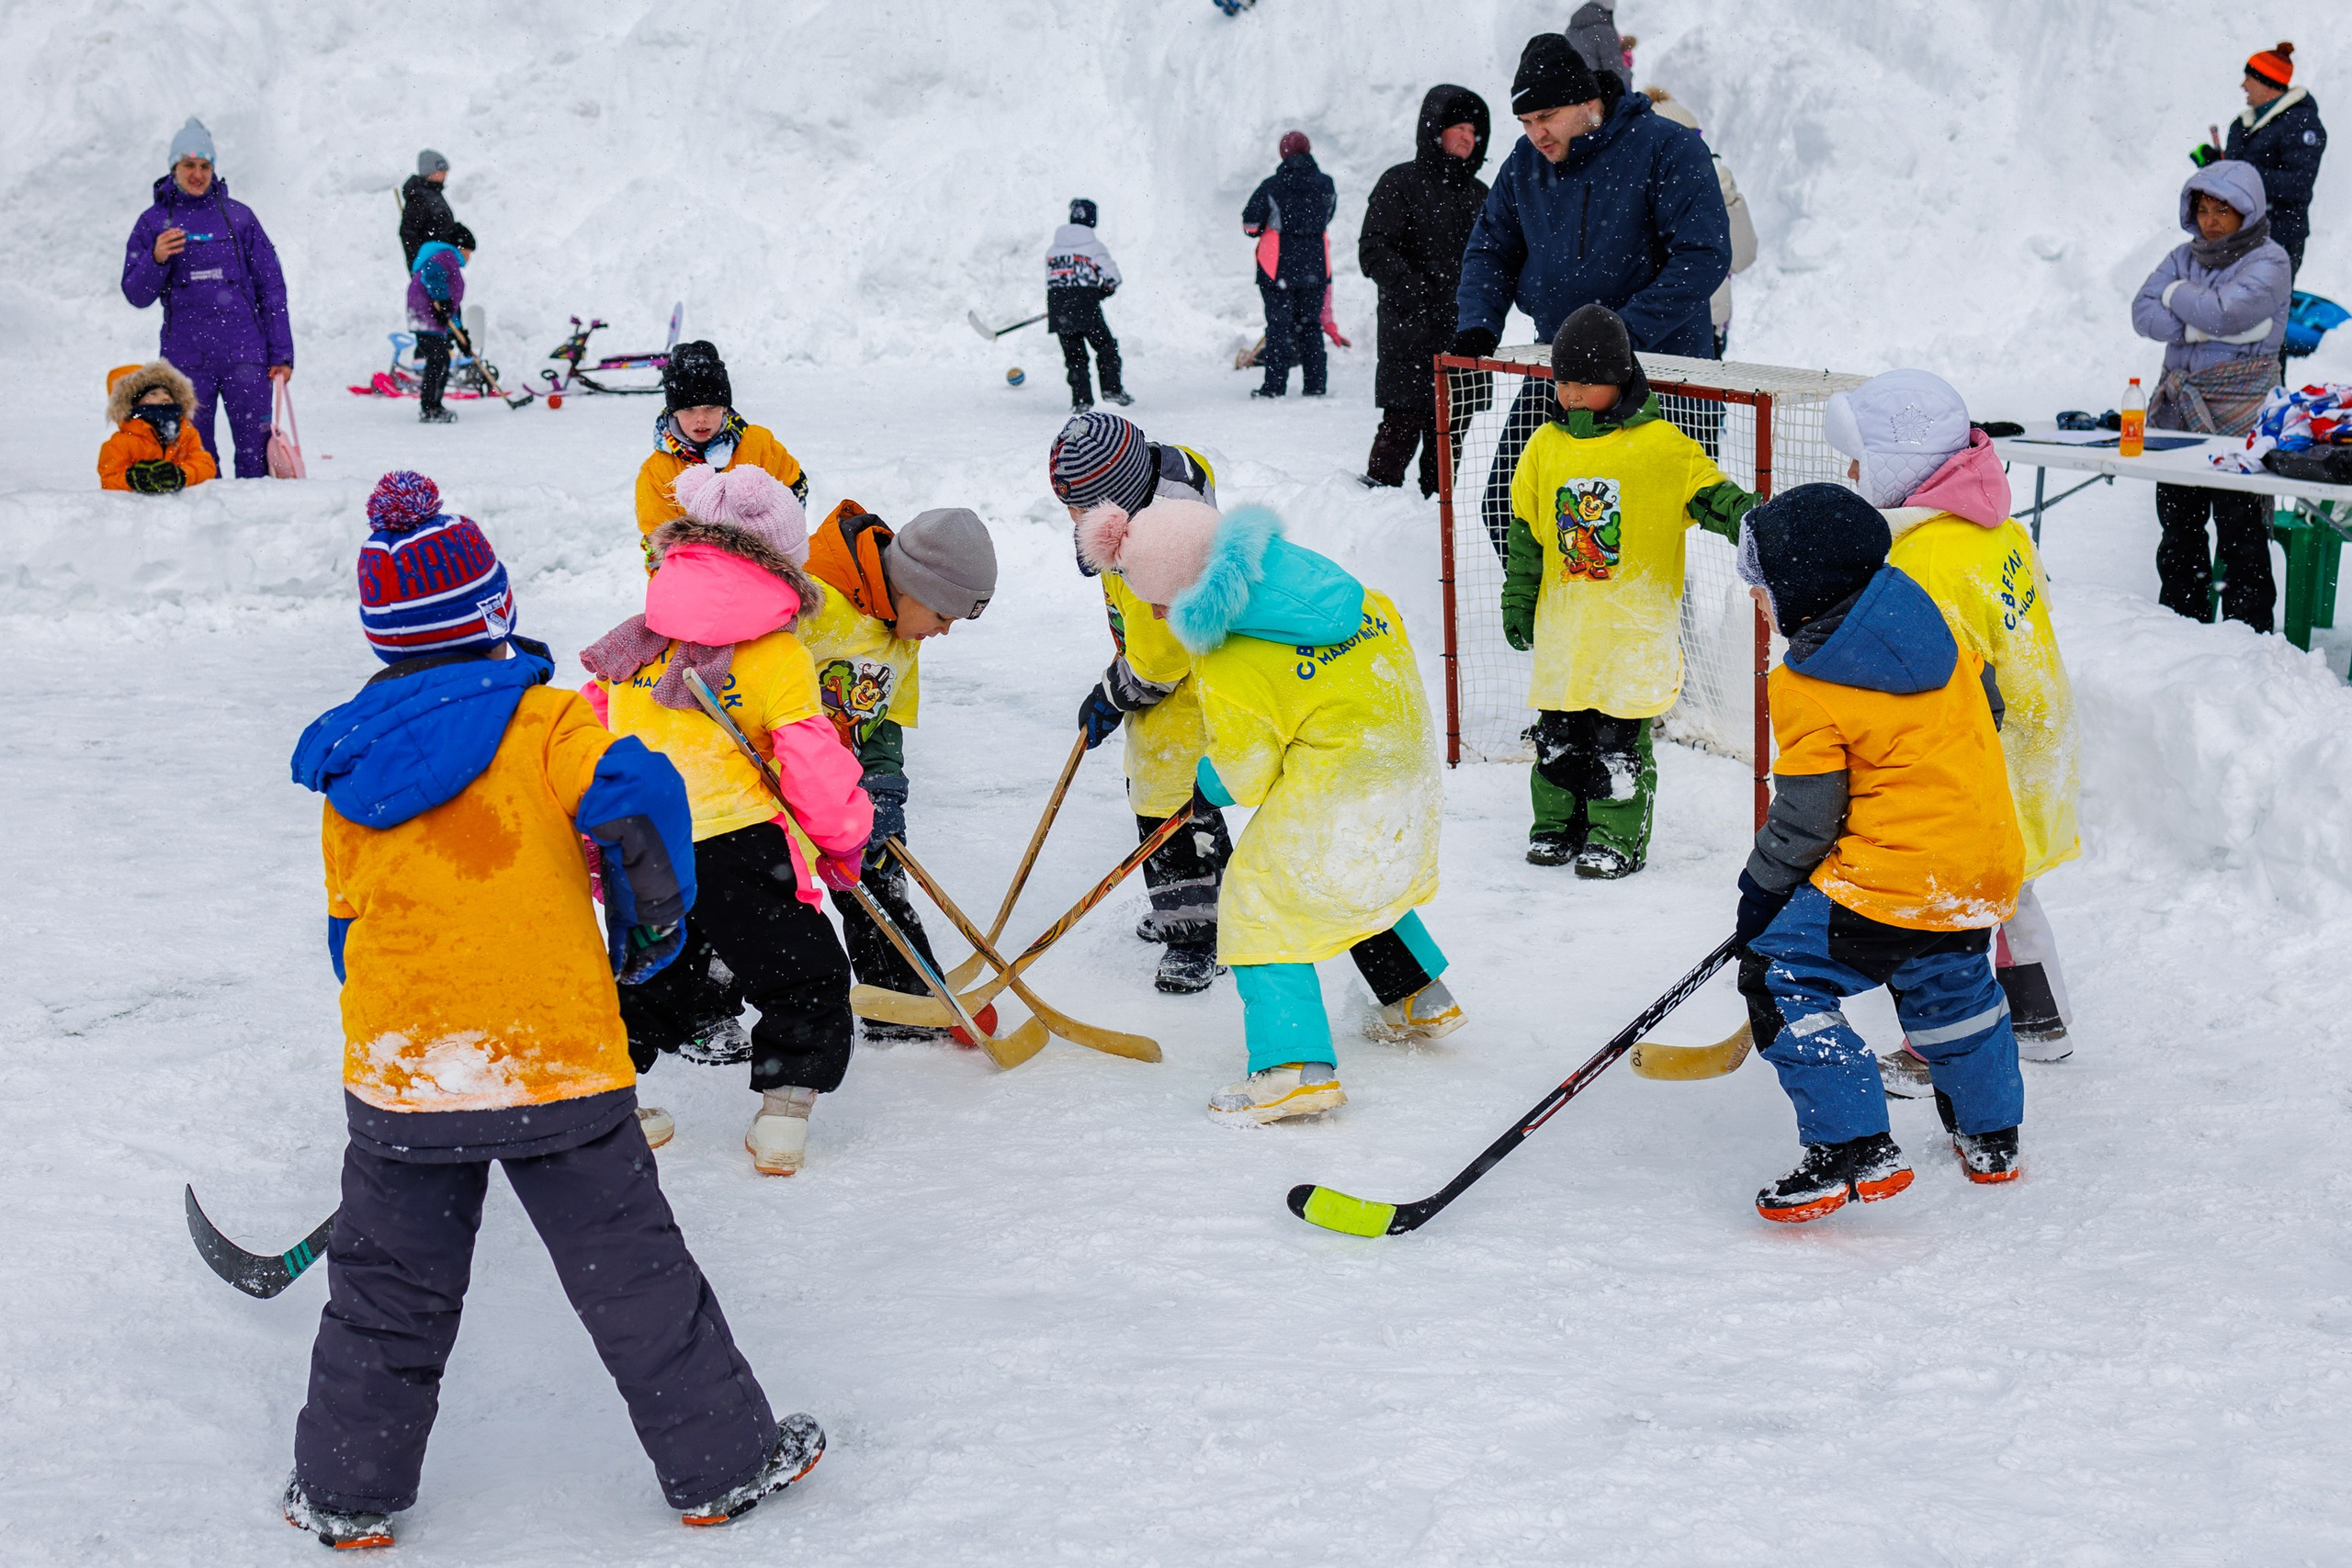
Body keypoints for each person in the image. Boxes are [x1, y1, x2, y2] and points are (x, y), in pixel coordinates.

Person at [282, 469, 821, 1546]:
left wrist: (406, 1024)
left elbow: (350, 927)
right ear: (496, 613)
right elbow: (642, 803)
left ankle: (348, 1495)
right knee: (631, 1271)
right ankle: (723, 1463)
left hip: (405, 1069)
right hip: (554, 1056)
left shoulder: (352, 763)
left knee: (385, 1292)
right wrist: (651, 932)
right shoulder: (546, 726)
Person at [1076, 497, 1460, 1124]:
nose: (1152, 612)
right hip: (1404, 775)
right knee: (1350, 878)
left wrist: (1204, 783)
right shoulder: (1324, 584)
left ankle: (1294, 1070)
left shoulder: (1230, 655)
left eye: (1158, 602)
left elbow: (1245, 772)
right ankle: (1419, 997)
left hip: (1339, 789)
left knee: (1258, 900)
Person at [1731, 483, 2027, 1224]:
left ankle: (1851, 1146)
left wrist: (1761, 890)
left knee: (1780, 971)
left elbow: (1806, 818)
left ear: (1802, 590)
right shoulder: (1945, 629)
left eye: (1764, 587)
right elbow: (1986, 708)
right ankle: (1991, 1135)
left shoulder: (1803, 685)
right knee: (1949, 984)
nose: (1759, 601)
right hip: (1978, 866)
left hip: (1894, 879)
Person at [582, 464, 875, 1178]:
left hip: (643, 840)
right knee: (799, 972)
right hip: (737, 846)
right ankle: (783, 1118)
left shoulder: (636, 642)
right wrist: (843, 841)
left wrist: (593, 835)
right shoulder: (776, 655)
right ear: (778, 564)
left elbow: (590, 732)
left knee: (646, 972)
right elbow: (811, 763)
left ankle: (600, 1102)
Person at [1825, 369, 2083, 1079]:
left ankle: (1942, 1041)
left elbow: (1922, 675)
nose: (1849, 475)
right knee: (2010, 884)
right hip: (2029, 733)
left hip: (1984, 746)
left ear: (1899, 464)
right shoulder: (1988, 524)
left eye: (1859, 460)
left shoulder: (1923, 555)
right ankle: (2039, 1019)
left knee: (1955, 899)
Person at [1500, 305, 1757, 876]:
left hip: (1630, 635)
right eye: (1563, 381)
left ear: (1620, 381)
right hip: (1566, 633)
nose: (1570, 393)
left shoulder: (1664, 449)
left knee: (1617, 743)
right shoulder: (1544, 447)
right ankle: (1555, 826)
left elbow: (1716, 499)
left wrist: (1760, 522)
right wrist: (1517, 600)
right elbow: (1527, 533)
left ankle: (1616, 837)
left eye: (1585, 383)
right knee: (1558, 738)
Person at [1456, 36, 1731, 553]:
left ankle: (1643, 624)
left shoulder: (1667, 147)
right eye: (1525, 122)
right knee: (1510, 506)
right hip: (1559, 364)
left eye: (1547, 115)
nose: (1536, 133)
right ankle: (1557, 622)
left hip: (1657, 369)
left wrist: (1621, 335)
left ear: (1588, 102)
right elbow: (1491, 248)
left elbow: (1703, 255)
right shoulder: (1524, 164)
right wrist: (1479, 321)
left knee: (1632, 525)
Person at [796, 499, 1003, 1037]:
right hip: (776, 781)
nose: (944, 631)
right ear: (913, 589)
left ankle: (900, 998)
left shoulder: (902, 629)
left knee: (881, 877)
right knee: (757, 899)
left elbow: (884, 720)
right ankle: (702, 1011)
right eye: (942, 616)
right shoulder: (814, 607)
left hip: (843, 789)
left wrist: (884, 789)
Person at [1049, 412, 1232, 993]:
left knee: (1167, 810)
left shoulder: (1145, 561)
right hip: (1211, 676)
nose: (1075, 521)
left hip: (1181, 692)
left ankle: (1198, 937)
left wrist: (1112, 694)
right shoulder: (1174, 481)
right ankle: (1211, 914)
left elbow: (1160, 660)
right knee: (1193, 804)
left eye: (1080, 510)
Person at [2131, 160, 2291, 631]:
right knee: (2179, 533)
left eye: (2224, 209)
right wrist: (2199, 325)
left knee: (2242, 534)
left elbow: (2228, 312)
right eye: (2202, 209)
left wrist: (2176, 296)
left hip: (2240, 420)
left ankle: (2249, 639)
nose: (2211, 220)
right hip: (2179, 417)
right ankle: (2182, 628)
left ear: (2248, 211)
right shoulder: (2184, 256)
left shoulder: (2271, 260)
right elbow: (2142, 313)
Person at [119, 118, 293, 479]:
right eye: (189, 165)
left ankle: (260, 530)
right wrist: (156, 259)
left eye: (205, 166)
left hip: (245, 353)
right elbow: (136, 295)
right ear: (174, 168)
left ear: (214, 169)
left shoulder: (240, 218)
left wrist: (281, 354)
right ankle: (209, 531)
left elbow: (271, 288)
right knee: (195, 454)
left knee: (256, 455)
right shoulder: (152, 223)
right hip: (185, 360)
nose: (197, 174)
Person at [1359, 85, 1491, 494]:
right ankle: (1370, 515)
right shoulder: (1401, 183)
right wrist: (1417, 292)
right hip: (1409, 333)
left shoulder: (1482, 196)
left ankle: (1436, 522)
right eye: (1459, 127)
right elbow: (1373, 249)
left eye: (1475, 131)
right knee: (1400, 429)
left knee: (1450, 436)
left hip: (1463, 334)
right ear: (1435, 131)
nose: (1469, 137)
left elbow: (1499, 257)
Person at [635, 340, 810, 570]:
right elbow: (657, 542)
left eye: (710, 407)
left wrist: (773, 535)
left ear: (725, 407)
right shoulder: (658, 470)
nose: (701, 419)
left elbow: (794, 488)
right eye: (688, 409)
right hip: (698, 579)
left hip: (766, 567)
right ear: (674, 412)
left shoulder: (758, 444)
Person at [1644, 88, 1757, 358]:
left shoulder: (1714, 182)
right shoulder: (1646, 189)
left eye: (1697, 139)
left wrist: (1729, 201)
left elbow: (1741, 256)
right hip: (1665, 324)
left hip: (1695, 324)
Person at [2216, 44, 2326, 279]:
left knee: (2260, 311)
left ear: (2266, 81)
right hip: (2235, 237)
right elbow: (2239, 172)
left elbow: (2298, 183)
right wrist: (2216, 162)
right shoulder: (2242, 124)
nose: (2243, 85)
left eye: (2248, 78)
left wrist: (2243, 175)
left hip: (2277, 238)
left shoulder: (2301, 123)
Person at [1242, 130, 1337, 399]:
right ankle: (1315, 385)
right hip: (1316, 267)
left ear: (1283, 153)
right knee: (1310, 326)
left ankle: (1274, 387)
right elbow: (1328, 216)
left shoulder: (1272, 185)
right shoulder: (1326, 184)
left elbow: (1250, 224)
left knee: (1279, 327)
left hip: (1277, 268)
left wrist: (1267, 229)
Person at [1046, 198, 1128, 413]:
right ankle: (1112, 389)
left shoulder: (1053, 250)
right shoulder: (1093, 247)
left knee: (1075, 357)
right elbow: (1113, 278)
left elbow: (1056, 280)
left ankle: (1081, 400)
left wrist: (1062, 304)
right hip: (1086, 307)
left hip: (1059, 308)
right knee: (1106, 347)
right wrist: (1101, 291)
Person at [97, 360, 218, 492]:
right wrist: (134, 479)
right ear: (133, 403)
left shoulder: (186, 433)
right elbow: (109, 478)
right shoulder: (121, 443)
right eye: (153, 394)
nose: (165, 397)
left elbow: (206, 465)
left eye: (167, 393)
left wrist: (181, 475)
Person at [405, 239, 468, 424]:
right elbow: (432, 276)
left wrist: (461, 334)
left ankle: (434, 405)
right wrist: (444, 300)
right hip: (426, 314)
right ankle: (429, 408)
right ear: (461, 247)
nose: (469, 256)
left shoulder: (449, 260)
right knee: (438, 360)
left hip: (428, 315)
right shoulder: (447, 255)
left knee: (441, 359)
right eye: (469, 251)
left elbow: (450, 306)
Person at [397, 149, 475, 271]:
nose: (445, 174)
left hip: (440, 262)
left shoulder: (434, 194)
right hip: (431, 266)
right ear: (430, 172)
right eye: (441, 170)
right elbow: (408, 233)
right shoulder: (420, 198)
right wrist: (420, 264)